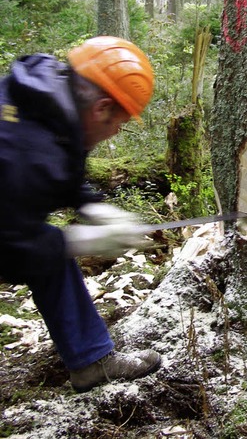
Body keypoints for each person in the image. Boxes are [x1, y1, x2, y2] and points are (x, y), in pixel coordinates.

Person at [0, 36, 162, 393]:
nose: (116, 132)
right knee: (53, 250)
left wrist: (93, 204)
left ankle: (90, 361)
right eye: (119, 123)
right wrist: (76, 240)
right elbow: (10, 249)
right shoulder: (22, 150)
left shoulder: (48, 99)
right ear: (102, 108)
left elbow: (64, 155)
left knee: (55, 254)